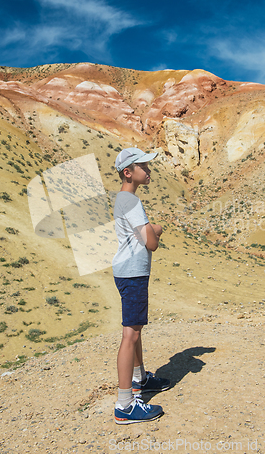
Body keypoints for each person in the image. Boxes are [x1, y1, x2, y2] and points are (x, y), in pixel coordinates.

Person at [112, 147, 170, 424]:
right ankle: (125, 405)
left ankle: (140, 379)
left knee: (135, 329)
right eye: (144, 166)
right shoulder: (132, 202)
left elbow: (140, 232)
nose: (149, 171)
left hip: (127, 270)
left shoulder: (123, 199)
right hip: (133, 272)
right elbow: (151, 243)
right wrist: (155, 230)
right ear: (128, 172)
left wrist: (149, 228)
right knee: (130, 335)